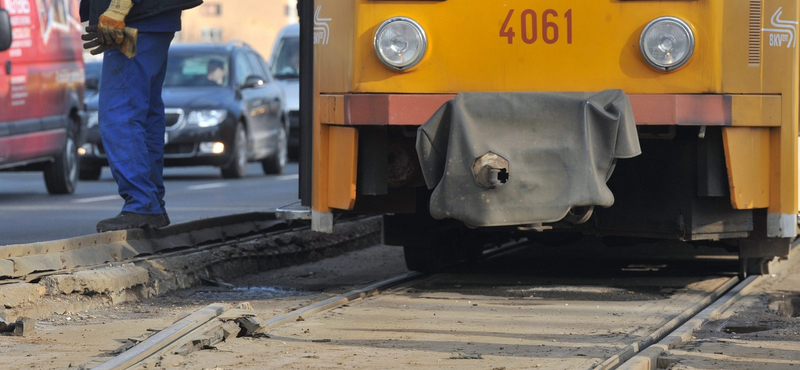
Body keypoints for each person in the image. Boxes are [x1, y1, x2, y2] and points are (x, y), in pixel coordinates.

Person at [79, 0, 202, 232]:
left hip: (135, 18)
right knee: (145, 116)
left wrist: (118, 8)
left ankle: (142, 203)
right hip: (151, 17)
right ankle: (150, 201)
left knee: (120, 113)